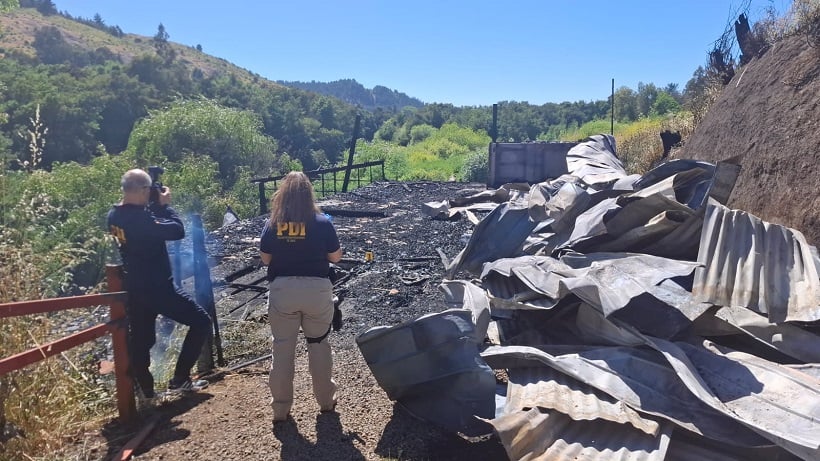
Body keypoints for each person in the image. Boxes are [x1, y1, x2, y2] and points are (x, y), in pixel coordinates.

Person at [107, 169, 212, 400]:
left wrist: (152, 207)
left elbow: (144, 227)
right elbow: (177, 230)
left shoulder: (114, 216)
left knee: (142, 341)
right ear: (144, 190)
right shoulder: (141, 219)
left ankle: (144, 392)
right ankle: (180, 379)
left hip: (134, 288)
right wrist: (164, 206)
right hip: (158, 288)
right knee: (202, 321)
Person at [259, 171, 342, 422]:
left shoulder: (273, 223)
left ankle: (281, 410)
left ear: (282, 195)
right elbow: (336, 257)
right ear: (309, 194)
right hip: (317, 290)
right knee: (318, 346)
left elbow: (265, 258)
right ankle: (326, 402)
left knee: (282, 349)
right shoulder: (322, 222)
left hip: (283, 291)